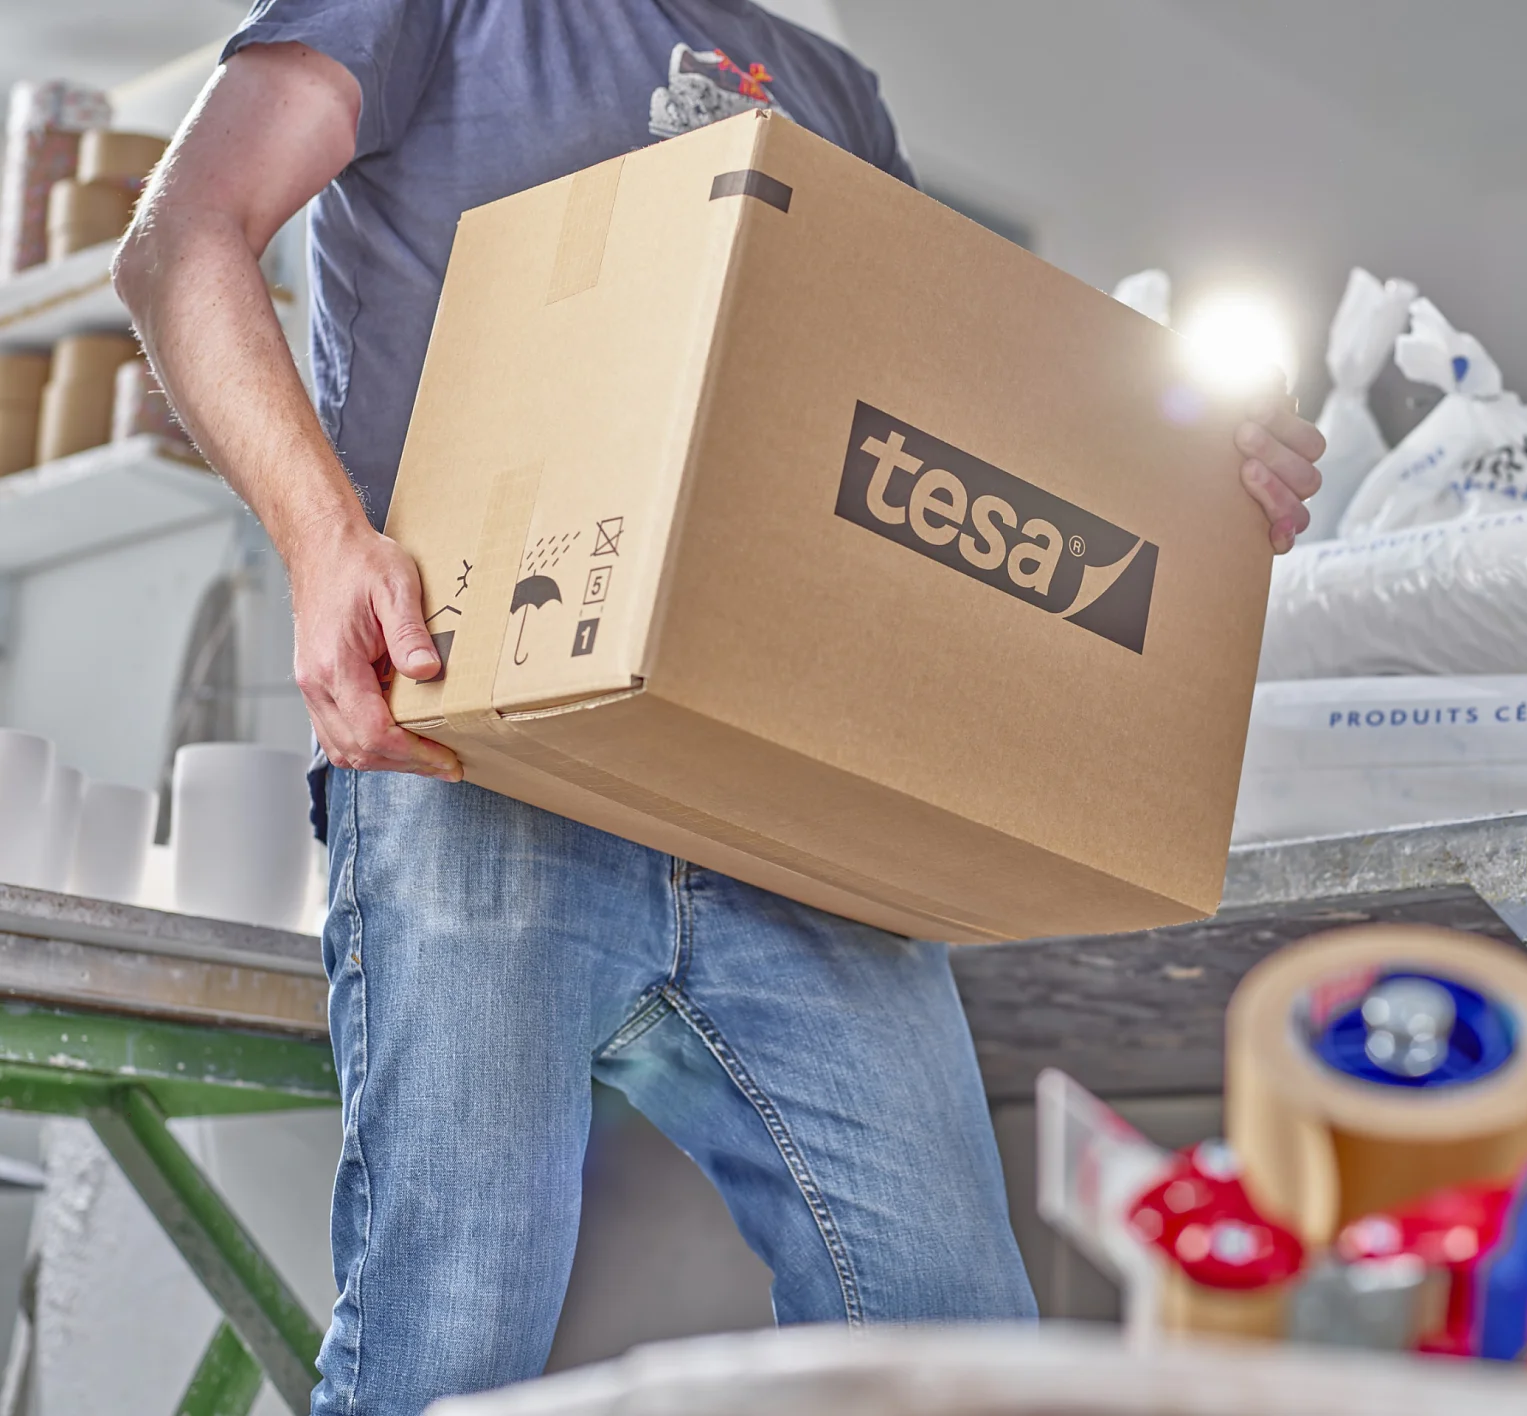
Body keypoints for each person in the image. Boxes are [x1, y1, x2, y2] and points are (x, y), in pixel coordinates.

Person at [114, 3, 1326, 1412]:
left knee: (957, 1329)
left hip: (789, 802)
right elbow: (181, 235)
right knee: (450, 1331)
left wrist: (1190, 469)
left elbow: (933, 416)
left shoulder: (830, 87)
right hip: (477, 746)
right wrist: (326, 543)